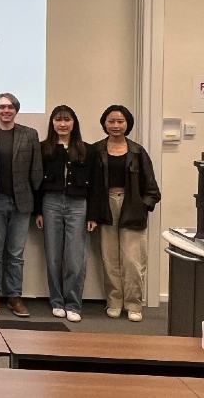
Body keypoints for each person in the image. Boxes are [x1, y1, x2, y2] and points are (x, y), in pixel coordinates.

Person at [35, 105, 103, 323]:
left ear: (74, 123)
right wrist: (38, 211)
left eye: (67, 120)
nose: (62, 124)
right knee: (53, 256)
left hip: (78, 205)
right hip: (50, 203)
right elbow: (35, 182)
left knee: (75, 258)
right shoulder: (43, 148)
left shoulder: (88, 150)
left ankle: (73, 303)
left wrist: (92, 215)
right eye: (58, 120)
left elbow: (97, 185)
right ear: (52, 123)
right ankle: (56, 301)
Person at [93, 105, 161, 322]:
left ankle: (134, 304)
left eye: (120, 121)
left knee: (133, 259)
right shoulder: (96, 150)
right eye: (111, 121)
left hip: (132, 206)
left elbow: (152, 188)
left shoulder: (138, 152)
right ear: (104, 123)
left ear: (128, 124)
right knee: (109, 258)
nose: (115, 125)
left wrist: (143, 205)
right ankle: (114, 301)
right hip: (106, 205)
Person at [0, 93, 42, 317]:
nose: (6, 110)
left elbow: (36, 170)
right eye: (1, 107)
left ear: (16, 109)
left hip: (22, 202)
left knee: (16, 253)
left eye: (10, 107)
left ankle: (14, 297)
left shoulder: (30, 134)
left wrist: (38, 206)